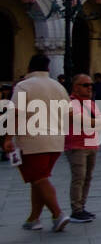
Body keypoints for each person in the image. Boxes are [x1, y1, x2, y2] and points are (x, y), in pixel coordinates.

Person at [3, 55, 72, 231]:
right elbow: (68, 113)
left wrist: (8, 138)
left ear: (29, 67)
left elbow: (16, 113)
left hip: (32, 141)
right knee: (39, 178)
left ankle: (58, 214)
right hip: (56, 141)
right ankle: (34, 218)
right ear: (48, 69)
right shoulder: (59, 86)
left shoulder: (24, 85)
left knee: (39, 179)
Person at [65, 73, 100, 222]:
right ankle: (76, 210)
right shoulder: (71, 103)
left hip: (91, 143)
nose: (89, 88)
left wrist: (97, 121)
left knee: (87, 177)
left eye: (91, 85)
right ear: (75, 87)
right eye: (85, 85)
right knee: (78, 178)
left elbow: (100, 121)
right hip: (76, 145)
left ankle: (82, 206)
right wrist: (96, 121)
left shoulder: (90, 103)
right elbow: (89, 122)